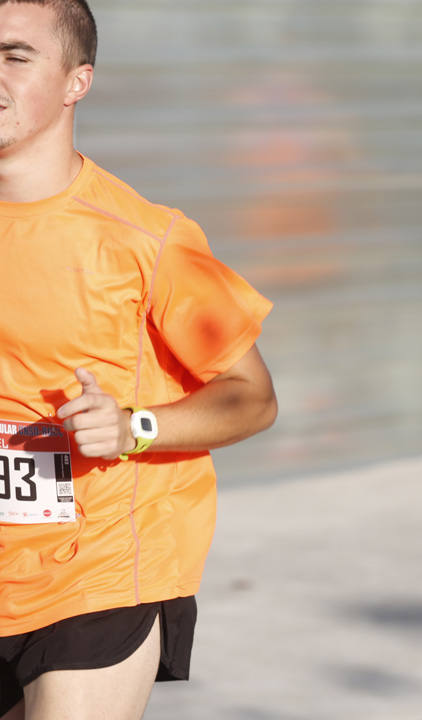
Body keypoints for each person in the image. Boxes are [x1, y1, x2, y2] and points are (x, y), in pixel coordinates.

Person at [0, 2, 277, 718]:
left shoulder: (145, 240)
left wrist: (133, 427)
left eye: (15, 56)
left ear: (76, 81)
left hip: (99, 572)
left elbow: (252, 395)